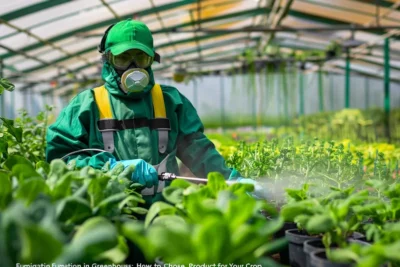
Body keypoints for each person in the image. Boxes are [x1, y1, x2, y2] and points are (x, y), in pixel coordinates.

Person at [46, 19, 262, 204]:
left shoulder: (171, 102)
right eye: (123, 59)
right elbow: (62, 161)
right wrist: (110, 168)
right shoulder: (86, 106)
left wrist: (234, 181)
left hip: (166, 210)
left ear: (151, 60)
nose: (133, 67)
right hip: (112, 211)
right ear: (107, 60)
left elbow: (199, 151)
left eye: (140, 58)